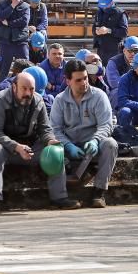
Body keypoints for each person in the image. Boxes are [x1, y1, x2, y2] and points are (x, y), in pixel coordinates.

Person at [0, 71, 80, 212]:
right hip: (6, 147)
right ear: (14, 87)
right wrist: (16, 147)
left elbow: (45, 129)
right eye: (24, 88)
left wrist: (50, 141)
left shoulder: (38, 101)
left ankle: (59, 197)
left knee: (55, 150)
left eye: (31, 89)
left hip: (30, 147)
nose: (28, 93)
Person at [50, 59, 118, 208]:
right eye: (78, 80)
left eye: (85, 78)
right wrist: (68, 146)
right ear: (68, 81)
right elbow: (55, 130)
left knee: (111, 144)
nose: (84, 83)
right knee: (52, 150)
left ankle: (99, 192)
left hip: (94, 144)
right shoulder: (59, 100)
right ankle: (60, 197)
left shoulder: (99, 96)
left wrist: (95, 140)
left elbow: (106, 124)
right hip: (70, 145)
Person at [0, 0, 31, 79]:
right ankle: (0, 89)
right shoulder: (1, 4)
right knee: (3, 69)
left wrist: (9, 23)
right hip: (5, 42)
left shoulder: (25, 6)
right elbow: (1, 16)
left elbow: (24, 21)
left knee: (25, 68)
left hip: (20, 42)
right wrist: (12, 6)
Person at [92, 0, 129, 64]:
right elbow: (94, 27)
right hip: (101, 49)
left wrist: (109, 30)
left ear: (112, 2)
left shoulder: (120, 14)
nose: (104, 8)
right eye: (102, 6)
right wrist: (96, 31)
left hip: (115, 50)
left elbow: (124, 32)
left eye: (106, 6)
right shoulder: (99, 12)